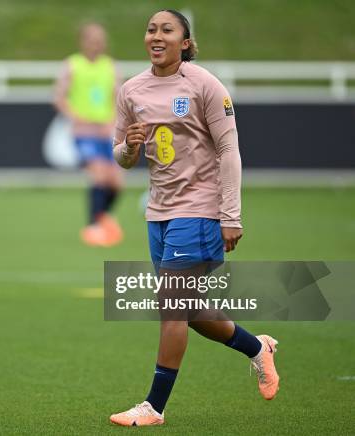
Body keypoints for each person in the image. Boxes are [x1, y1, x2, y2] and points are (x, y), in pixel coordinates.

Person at [109, 9, 280, 426]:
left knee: (171, 304)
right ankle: (258, 348)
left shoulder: (204, 84)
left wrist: (231, 215)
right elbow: (121, 156)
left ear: (185, 42)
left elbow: (229, 150)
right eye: (152, 29)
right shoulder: (132, 89)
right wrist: (130, 147)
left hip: (200, 210)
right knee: (188, 309)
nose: (157, 35)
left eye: (167, 30)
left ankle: (154, 406)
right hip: (159, 213)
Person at [54, 22, 124, 247]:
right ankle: (93, 226)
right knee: (99, 175)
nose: (97, 44)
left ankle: (102, 215)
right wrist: (75, 116)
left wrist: (113, 121)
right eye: (93, 39)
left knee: (116, 183)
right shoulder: (72, 65)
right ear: (82, 41)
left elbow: (118, 98)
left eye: (100, 40)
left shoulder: (110, 66)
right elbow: (59, 97)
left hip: (106, 132)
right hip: (84, 132)